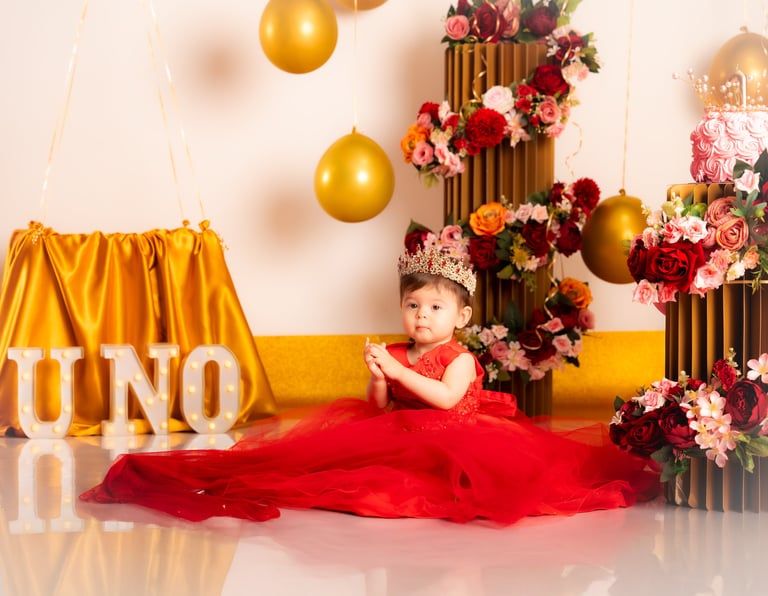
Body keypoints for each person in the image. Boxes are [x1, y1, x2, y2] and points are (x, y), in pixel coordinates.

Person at [80, 244, 659, 525]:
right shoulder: (403, 348)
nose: (421, 316)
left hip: (460, 433)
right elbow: (380, 406)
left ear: (459, 317)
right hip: (399, 430)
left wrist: (403, 371)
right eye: (412, 305)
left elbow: (446, 399)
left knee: (458, 481)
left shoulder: (458, 357)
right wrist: (380, 375)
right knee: (332, 466)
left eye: (434, 307)